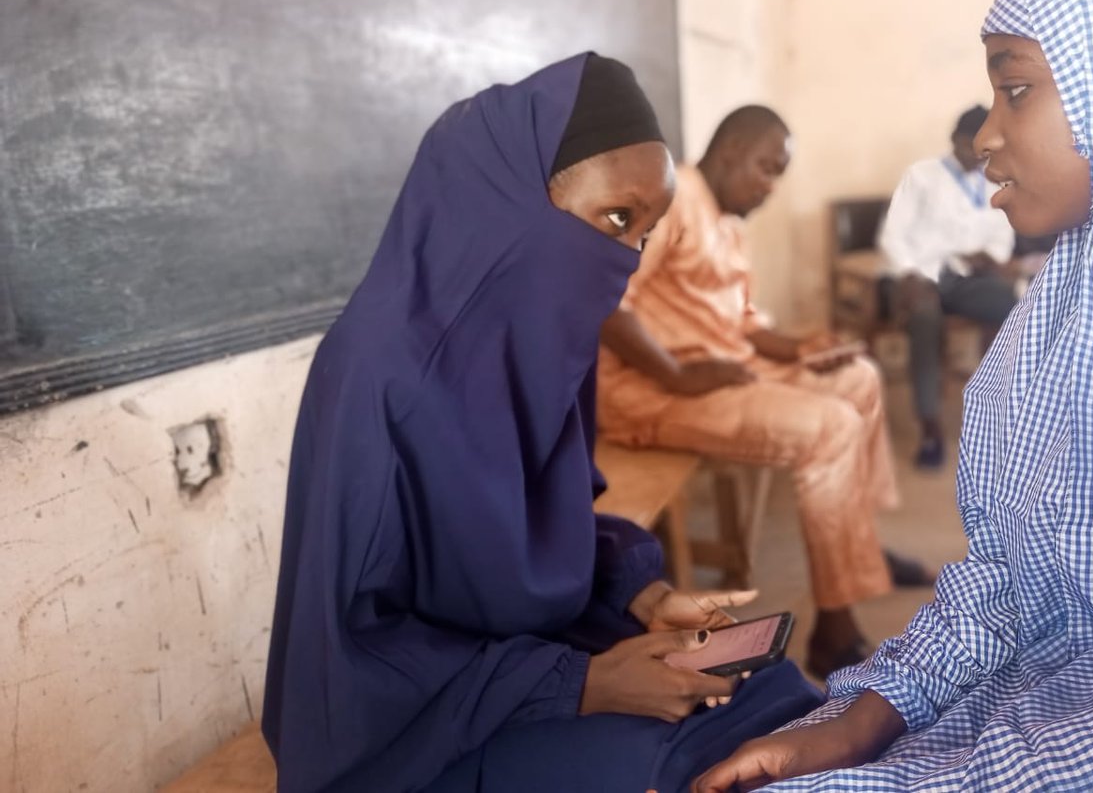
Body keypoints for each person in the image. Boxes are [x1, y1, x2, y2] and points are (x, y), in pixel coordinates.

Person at [693, 0, 1093, 790]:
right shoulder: (1085, 288)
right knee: (918, 324)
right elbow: (1019, 570)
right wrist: (869, 718)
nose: (992, 137)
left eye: (1018, 87)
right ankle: (911, 457)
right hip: (913, 284)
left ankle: (859, 571)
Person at [260, 53, 823, 793]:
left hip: (523, 656)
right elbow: (354, 664)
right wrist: (583, 686)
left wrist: (641, 595)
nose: (623, 261)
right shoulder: (378, 372)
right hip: (407, 733)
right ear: (513, 199)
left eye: (644, 236)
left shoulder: (544, 343)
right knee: (684, 766)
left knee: (773, 696)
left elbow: (537, 535)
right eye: (616, 219)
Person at [598, 105, 933, 681]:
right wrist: (676, 374)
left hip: (724, 371)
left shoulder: (725, 221)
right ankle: (835, 627)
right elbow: (607, 299)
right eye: (766, 168)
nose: (771, 187)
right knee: (831, 426)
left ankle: (861, 549)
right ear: (728, 152)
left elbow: (746, 322)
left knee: (859, 378)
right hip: (655, 390)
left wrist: (803, 349)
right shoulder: (672, 199)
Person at [877, 105, 1018, 468]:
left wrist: (989, 257)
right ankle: (930, 429)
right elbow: (892, 237)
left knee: (1014, 305)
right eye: (977, 145)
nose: (984, 153)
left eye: (989, 147)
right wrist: (909, 275)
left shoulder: (993, 180)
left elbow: (1001, 235)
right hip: (922, 277)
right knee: (925, 321)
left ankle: (1000, 414)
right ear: (956, 140)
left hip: (965, 281)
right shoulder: (921, 177)